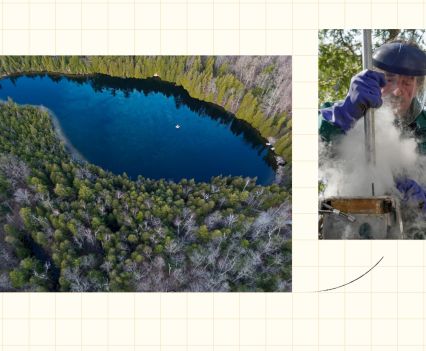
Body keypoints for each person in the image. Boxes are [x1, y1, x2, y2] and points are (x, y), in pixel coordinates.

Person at [319, 40, 426, 211]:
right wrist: (344, 115)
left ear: (418, 87)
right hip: (346, 222)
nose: (398, 91)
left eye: (407, 83)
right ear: (375, 80)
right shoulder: (344, 111)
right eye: (390, 80)